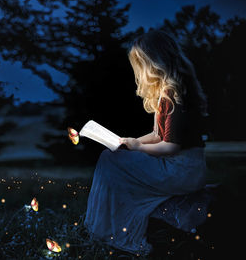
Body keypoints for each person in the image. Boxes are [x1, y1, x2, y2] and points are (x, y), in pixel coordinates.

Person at [84, 30, 209, 256]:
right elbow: (157, 135)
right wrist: (128, 142)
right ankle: (104, 227)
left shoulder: (171, 95)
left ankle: (107, 230)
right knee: (112, 157)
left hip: (181, 170)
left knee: (109, 161)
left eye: (141, 64)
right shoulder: (167, 92)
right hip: (182, 167)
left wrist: (138, 148)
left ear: (154, 63)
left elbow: (171, 146)